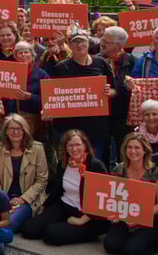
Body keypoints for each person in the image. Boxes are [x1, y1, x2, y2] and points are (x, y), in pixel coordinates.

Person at [20, 129, 110, 246]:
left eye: (78, 145)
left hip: (89, 216)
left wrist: (81, 220)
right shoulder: (63, 163)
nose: (74, 149)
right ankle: (63, 226)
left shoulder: (96, 165)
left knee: (51, 234)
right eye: (70, 145)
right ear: (65, 148)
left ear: (85, 145)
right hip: (65, 205)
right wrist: (45, 206)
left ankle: (83, 232)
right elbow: (57, 189)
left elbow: (103, 199)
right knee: (28, 229)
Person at [48, 28, 115, 158]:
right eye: (75, 42)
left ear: (88, 43)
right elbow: (52, 96)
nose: (79, 45)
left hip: (96, 128)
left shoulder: (101, 63)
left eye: (82, 41)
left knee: (94, 164)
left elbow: (115, 91)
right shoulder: (61, 68)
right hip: (69, 129)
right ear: (69, 45)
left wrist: (108, 92)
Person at [102, 132, 158, 255]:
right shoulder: (119, 169)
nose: (133, 151)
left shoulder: (155, 172)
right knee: (111, 246)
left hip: (149, 220)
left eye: (137, 147)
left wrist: (138, 216)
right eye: (129, 147)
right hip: (124, 218)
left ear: (145, 150)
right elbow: (113, 197)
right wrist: (113, 212)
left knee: (132, 251)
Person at [0, 114, 49, 232]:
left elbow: (42, 180)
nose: (15, 132)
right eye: (12, 128)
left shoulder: (37, 149)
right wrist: (3, 198)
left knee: (9, 222)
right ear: (6, 131)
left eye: (19, 129)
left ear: (25, 130)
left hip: (28, 199)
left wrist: (22, 199)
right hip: (4, 196)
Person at [99, 26, 136, 160]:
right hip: (102, 117)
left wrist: (117, 92)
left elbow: (136, 89)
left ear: (119, 45)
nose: (102, 43)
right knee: (103, 155)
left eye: (107, 42)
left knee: (124, 154)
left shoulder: (132, 62)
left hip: (123, 118)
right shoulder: (96, 60)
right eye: (102, 39)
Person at [8, 41, 49, 138]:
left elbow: (49, 100)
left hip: (34, 122)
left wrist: (31, 97)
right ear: (15, 57)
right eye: (20, 53)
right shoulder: (9, 73)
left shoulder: (42, 74)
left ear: (32, 55)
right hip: (13, 119)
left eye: (26, 52)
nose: (23, 55)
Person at [136, 100, 158, 164]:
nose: (151, 118)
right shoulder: (137, 133)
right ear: (142, 117)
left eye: (154, 114)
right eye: (147, 115)